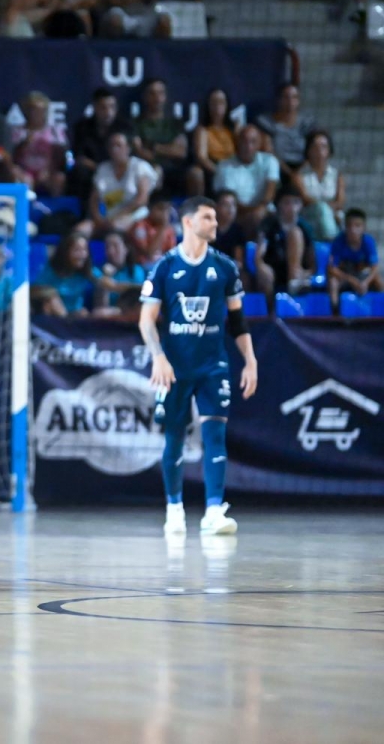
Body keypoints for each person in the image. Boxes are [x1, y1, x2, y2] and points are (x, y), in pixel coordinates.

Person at [141, 196, 257, 536]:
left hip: (213, 365)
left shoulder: (225, 268)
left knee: (215, 434)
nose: (216, 223)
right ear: (188, 222)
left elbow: (238, 323)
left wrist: (250, 361)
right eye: (208, 217)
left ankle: (213, 511)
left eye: (216, 218)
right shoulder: (164, 267)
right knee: (175, 437)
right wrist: (158, 356)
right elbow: (147, 321)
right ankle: (174, 509)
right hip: (175, 366)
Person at [82, 130, 157, 236]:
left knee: (115, 228)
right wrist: (98, 219)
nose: (115, 149)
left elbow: (142, 199)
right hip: (108, 219)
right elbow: (94, 200)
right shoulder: (103, 169)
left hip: (135, 216)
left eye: (119, 145)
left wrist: (118, 216)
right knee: (81, 229)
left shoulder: (140, 167)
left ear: (128, 148)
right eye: (112, 146)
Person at [70, 87, 136, 201]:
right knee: (80, 172)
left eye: (112, 107)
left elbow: (130, 155)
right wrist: (101, 169)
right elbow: (79, 156)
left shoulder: (125, 127)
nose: (108, 112)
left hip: (119, 169)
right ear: (95, 108)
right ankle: (86, 211)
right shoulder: (82, 127)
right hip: (93, 168)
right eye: (103, 108)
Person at [255, 186, 314, 309]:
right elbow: (259, 254)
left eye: (295, 202)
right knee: (265, 276)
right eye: (287, 202)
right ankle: (271, 314)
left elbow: (312, 262)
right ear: (279, 205)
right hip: (274, 268)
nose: (291, 207)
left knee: (295, 233)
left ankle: (294, 281)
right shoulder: (269, 224)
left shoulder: (304, 227)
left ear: (301, 206)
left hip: (296, 272)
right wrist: (262, 266)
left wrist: (306, 273)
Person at [214, 124, 279, 233]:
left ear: (259, 144)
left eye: (253, 142)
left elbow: (270, 193)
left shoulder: (270, 161)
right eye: (244, 141)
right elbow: (230, 201)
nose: (248, 146)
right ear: (237, 143)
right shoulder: (224, 166)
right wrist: (253, 212)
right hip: (237, 214)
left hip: (264, 211)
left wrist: (259, 210)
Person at [132, 77, 188, 195]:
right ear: (145, 97)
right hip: (148, 169)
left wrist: (154, 147)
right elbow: (139, 151)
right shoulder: (136, 123)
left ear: (165, 96)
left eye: (160, 93)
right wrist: (167, 150)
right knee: (153, 171)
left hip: (174, 170)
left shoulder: (175, 123)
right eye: (152, 93)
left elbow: (180, 152)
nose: (157, 98)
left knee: (195, 174)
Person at [327, 207, 382, 315]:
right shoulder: (338, 242)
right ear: (345, 227)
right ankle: (335, 313)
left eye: (357, 226)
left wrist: (365, 283)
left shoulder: (368, 242)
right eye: (349, 226)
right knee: (333, 282)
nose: (353, 230)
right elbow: (332, 268)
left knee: (379, 281)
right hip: (345, 278)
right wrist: (352, 281)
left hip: (361, 277)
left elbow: (374, 267)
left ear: (363, 227)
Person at [12, 91, 68, 197]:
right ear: (27, 111)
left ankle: (55, 210)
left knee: (59, 178)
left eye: (41, 110)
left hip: (48, 171)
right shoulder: (18, 132)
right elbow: (11, 156)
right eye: (34, 110)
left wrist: (50, 169)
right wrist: (23, 144)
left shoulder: (55, 132)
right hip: (25, 171)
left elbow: (63, 156)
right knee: (19, 176)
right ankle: (25, 209)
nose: (37, 114)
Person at [187, 88, 239, 198]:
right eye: (214, 103)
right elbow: (202, 157)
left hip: (232, 166)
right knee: (196, 172)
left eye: (221, 102)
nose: (217, 106)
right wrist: (219, 172)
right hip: (212, 168)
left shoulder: (234, 128)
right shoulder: (203, 130)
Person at [255, 84, 315, 180]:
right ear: (279, 99)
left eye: (294, 97)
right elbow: (268, 151)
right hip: (276, 168)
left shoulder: (306, 123)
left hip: (302, 169)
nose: (290, 102)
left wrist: (299, 173)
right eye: (286, 97)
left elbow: (313, 150)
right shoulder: (266, 123)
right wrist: (290, 174)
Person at [293, 130, 345, 243]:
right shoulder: (300, 175)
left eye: (323, 147)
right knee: (321, 209)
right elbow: (305, 199)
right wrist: (324, 207)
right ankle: (332, 241)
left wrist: (328, 209)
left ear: (329, 150)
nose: (319, 151)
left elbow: (340, 201)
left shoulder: (336, 175)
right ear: (308, 150)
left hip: (332, 214)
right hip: (309, 215)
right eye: (315, 147)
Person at [32, 232, 99, 316]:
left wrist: (118, 286)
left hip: (76, 316)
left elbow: (105, 281)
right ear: (66, 252)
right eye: (77, 250)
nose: (82, 255)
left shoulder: (86, 270)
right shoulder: (52, 270)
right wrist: (51, 292)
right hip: (55, 318)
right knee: (52, 300)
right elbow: (34, 290)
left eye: (84, 250)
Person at [94, 231, 146, 315]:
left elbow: (136, 296)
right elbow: (101, 305)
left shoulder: (137, 270)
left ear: (126, 249)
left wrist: (114, 286)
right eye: (107, 247)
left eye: (115, 246)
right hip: (109, 318)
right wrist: (106, 276)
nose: (111, 251)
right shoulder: (98, 271)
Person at [130, 191, 178, 266]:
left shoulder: (169, 229)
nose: (164, 213)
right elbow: (149, 254)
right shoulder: (139, 227)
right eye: (160, 209)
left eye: (167, 209)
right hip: (143, 267)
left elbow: (171, 255)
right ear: (150, 208)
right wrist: (162, 227)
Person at [212, 189, 248, 279]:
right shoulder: (207, 229)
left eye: (233, 205)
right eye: (226, 205)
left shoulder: (238, 231)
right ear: (216, 207)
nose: (230, 209)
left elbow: (238, 261)